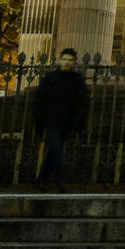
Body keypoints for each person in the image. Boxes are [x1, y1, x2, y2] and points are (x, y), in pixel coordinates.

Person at [32, 48, 89, 191]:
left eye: (70, 60)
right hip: (52, 121)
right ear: (59, 60)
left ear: (74, 62)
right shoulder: (50, 78)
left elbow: (82, 104)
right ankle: (60, 180)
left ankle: (41, 180)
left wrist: (77, 124)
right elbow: (39, 101)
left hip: (68, 123)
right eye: (64, 59)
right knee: (57, 150)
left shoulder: (77, 81)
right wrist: (39, 122)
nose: (67, 63)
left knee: (53, 151)